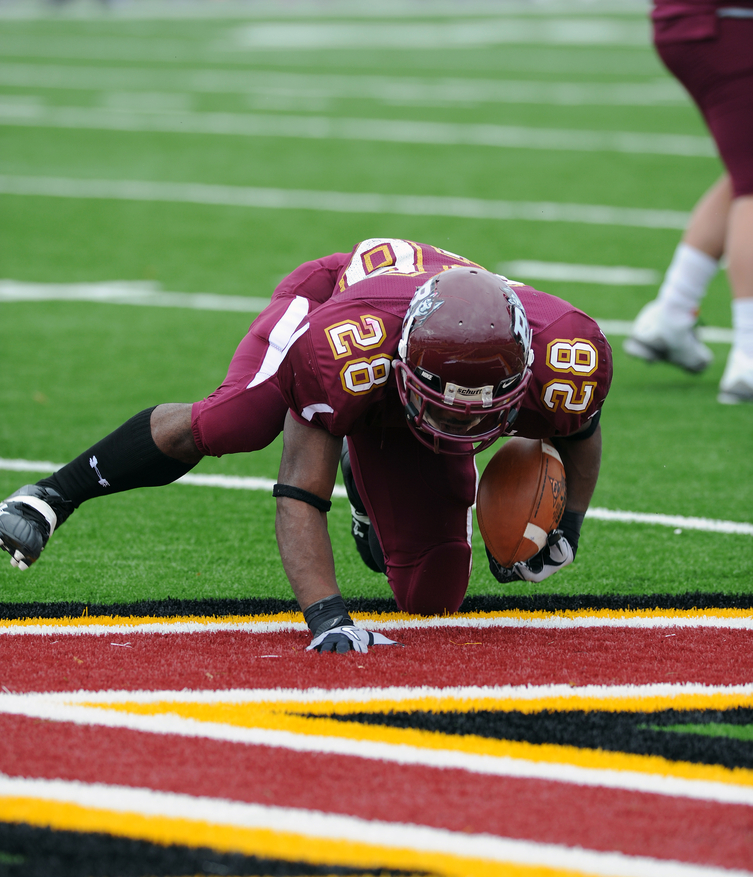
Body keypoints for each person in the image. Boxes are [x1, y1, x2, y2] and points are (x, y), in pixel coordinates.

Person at [0, 239, 612, 653]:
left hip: (396, 369)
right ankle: (49, 498)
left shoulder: (568, 356)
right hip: (335, 301)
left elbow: (580, 434)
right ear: (403, 367)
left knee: (433, 595)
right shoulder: (342, 352)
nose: (463, 427)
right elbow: (298, 489)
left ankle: (364, 465)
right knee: (235, 420)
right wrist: (327, 618)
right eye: (441, 403)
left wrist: (568, 526)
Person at [624, 0, 753, 404]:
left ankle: (673, 313)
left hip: (701, 11)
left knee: (745, 167)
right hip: (719, 14)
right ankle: (750, 355)